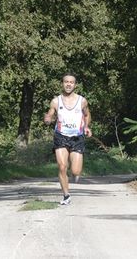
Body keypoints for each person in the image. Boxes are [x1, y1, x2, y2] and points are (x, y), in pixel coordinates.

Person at [44, 73, 92, 205]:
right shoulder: (55, 101)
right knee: (62, 166)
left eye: (71, 82)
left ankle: (75, 174)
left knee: (75, 171)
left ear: (75, 85)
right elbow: (50, 114)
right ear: (62, 83)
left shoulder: (82, 101)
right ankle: (66, 195)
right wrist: (48, 119)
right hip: (61, 135)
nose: (68, 84)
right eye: (66, 82)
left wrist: (86, 127)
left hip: (77, 137)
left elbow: (87, 115)